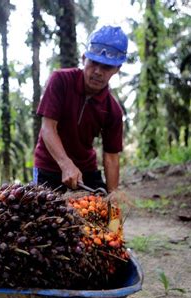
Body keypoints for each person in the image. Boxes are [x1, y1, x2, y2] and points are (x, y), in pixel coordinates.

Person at [33, 25, 127, 193]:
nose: (98, 72)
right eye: (94, 63)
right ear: (84, 58)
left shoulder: (113, 110)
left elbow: (111, 157)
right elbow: (48, 128)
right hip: (49, 166)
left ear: (117, 69)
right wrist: (66, 164)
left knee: (100, 213)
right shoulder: (60, 80)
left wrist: (113, 198)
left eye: (106, 67)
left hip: (85, 171)